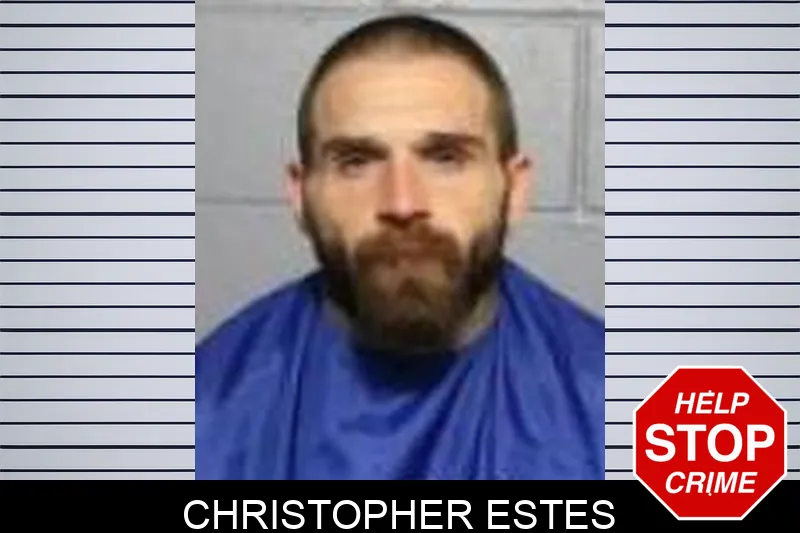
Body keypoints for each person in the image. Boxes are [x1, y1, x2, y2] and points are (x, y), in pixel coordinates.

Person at [195, 13, 605, 480]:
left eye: (446, 158)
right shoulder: (203, 412)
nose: (402, 203)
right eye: (356, 162)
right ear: (301, 195)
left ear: (515, 189)